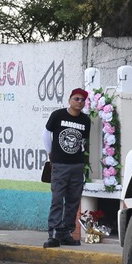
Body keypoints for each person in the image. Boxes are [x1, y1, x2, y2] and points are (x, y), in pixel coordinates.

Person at [42, 88, 91, 248]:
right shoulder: (58, 115)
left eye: (82, 100)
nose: (79, 102)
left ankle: (66, 233)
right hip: (60, 165)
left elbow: (82, 142)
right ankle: (54, 235)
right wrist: (51, 154)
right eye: (76, 99)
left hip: (76, 166)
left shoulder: (85, 120)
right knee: (57, 199)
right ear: (70, 99)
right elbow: (46, 134)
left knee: (73, 201)